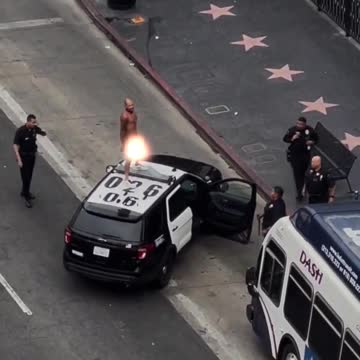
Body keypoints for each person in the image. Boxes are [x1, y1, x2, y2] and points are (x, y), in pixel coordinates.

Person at [13, 114, 47, 208]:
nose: (34, 124)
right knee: (26, 177)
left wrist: (42, 130)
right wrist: (19, 159)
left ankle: (24, 191)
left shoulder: (34, 129)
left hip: (32, 156)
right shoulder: (20, 131)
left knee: (30, 175)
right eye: (33, 122)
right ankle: (26, 196)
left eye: (35, 122)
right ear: (28, 122)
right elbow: (15, 146)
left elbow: (43, 133)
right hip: (23, 157)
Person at [283, 117, 318, 201]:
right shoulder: (292, 130)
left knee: (305, 172)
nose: (298, 125)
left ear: (305, 124)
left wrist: (312, 142)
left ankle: (306, 186)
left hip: (305, 155)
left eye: (301, 124)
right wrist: (292, 138)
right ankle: (300, 193)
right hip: (295, 156)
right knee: (298, 175)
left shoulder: (310, 130)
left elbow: (316, 139)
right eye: (297, 123)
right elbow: (285, 139)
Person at [120, 98, 138, 181]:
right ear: (125, 106)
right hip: (128, 139)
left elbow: (134, 126)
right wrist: (123, 143)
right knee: (129, 158)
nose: (132, 107)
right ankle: (126, 177)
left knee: (138, 151)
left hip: (134, 137)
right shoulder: (124, 116)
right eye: (130, 105)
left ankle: (137, 163)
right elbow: (122, 130)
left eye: (132, 105)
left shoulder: (134, 113)